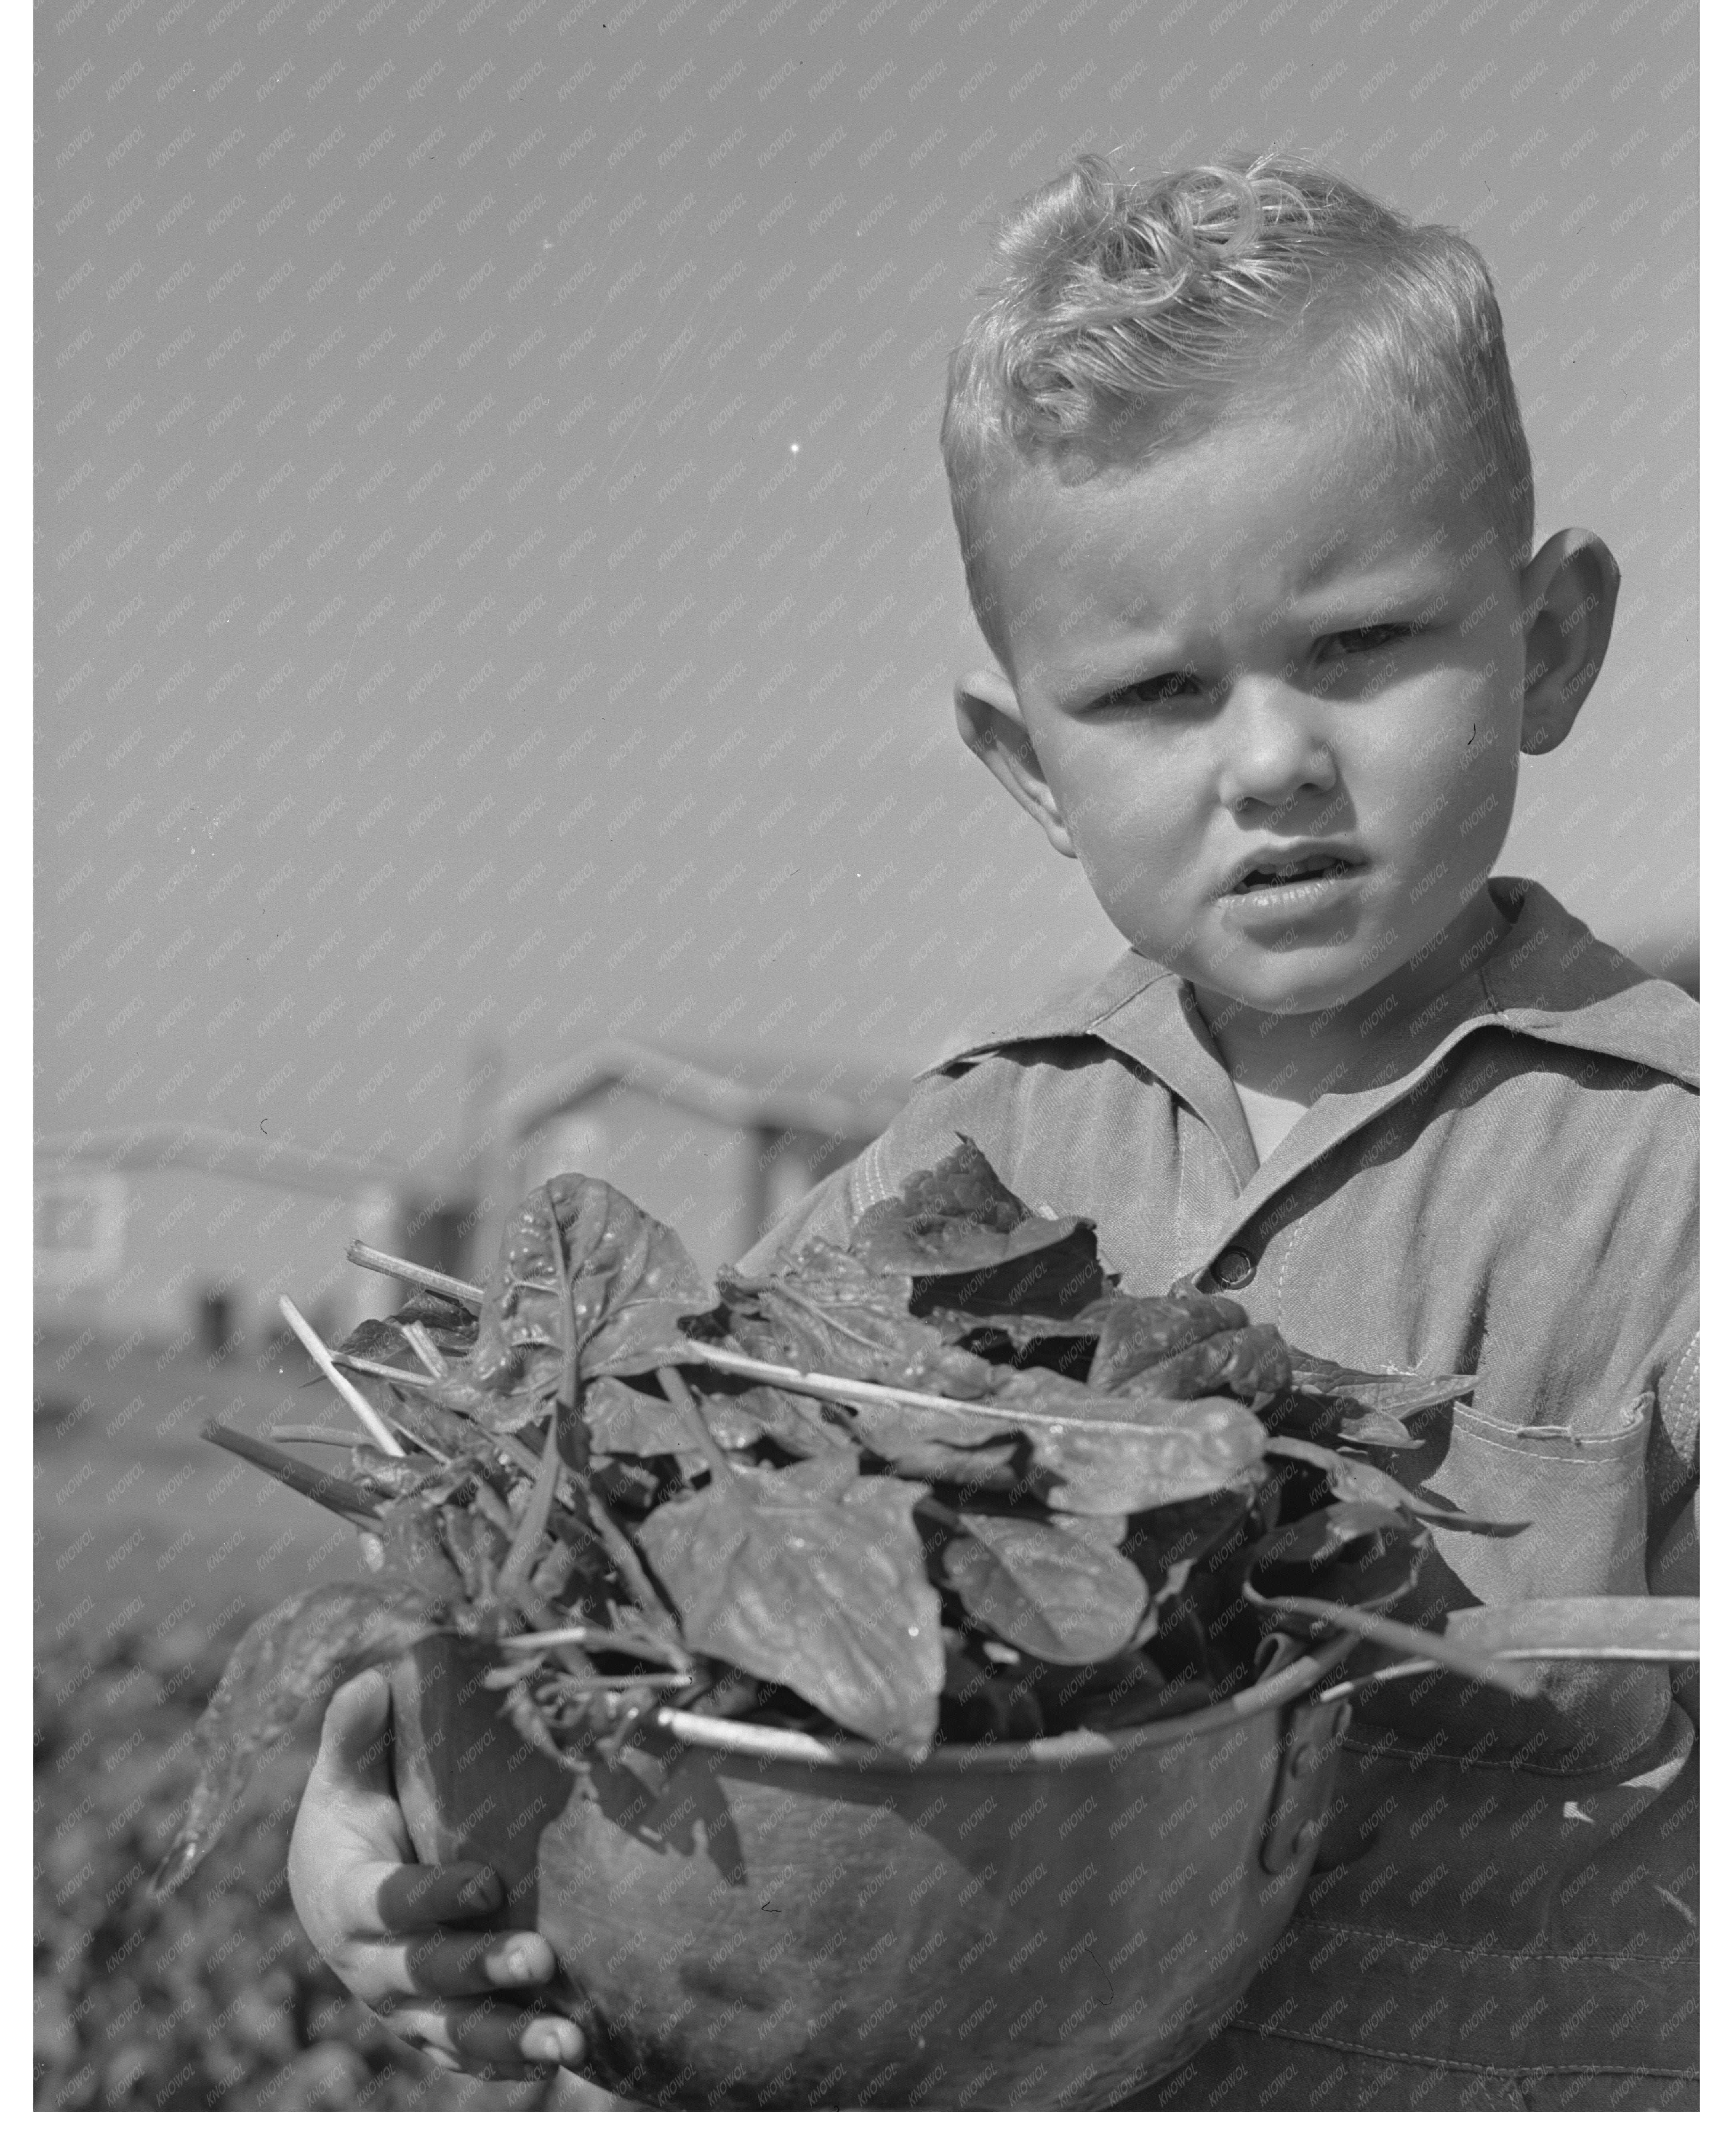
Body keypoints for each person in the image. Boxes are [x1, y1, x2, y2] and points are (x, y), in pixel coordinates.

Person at [287, 156, 1697, 2108]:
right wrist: (384, 1795)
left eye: (1364, 644)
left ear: (1552, 641)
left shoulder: (1670, 1173)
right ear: (1032, 766)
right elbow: (632, 1558)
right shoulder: (965, 1158)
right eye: (1159, 691)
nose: (1274, 759)